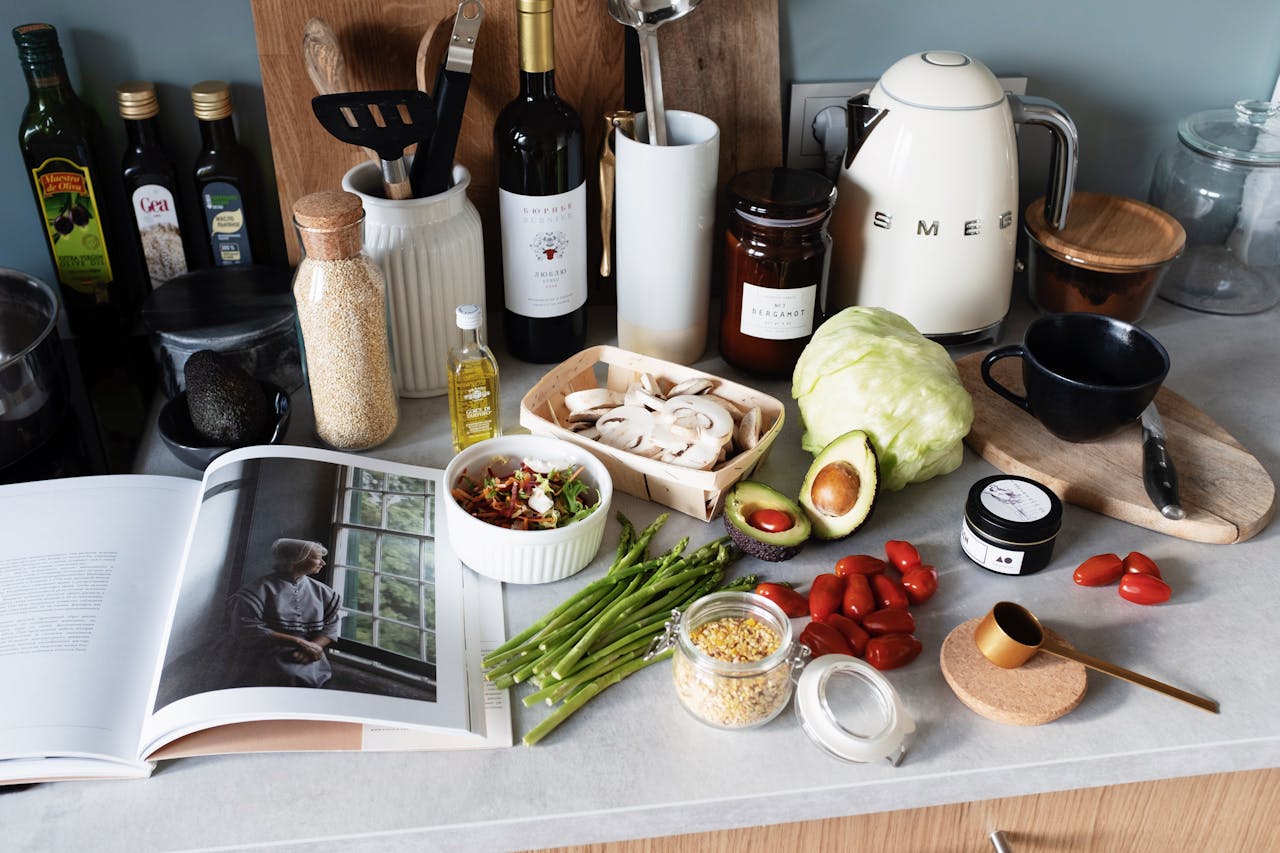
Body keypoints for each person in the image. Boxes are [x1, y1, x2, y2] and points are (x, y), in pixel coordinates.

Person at [226, 538, 342, 688]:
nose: (322, 563)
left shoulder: (324, 592)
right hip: (266, 654)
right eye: (318, 558)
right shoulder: (257, 590)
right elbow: (247, 629)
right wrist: (299, 642)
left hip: (311, 656)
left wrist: (314, 647)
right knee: (284, 678)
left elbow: (330, 627)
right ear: (297, 559)